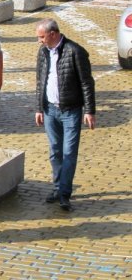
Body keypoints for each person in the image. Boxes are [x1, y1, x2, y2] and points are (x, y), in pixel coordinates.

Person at [35, 18, 96, 211]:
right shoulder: (43, 52)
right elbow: (40, 81)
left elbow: (87, 82)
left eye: (42, 37)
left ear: (53, 34)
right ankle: (57, 187)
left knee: (69, 153)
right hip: (50, 110)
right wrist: (38, 108)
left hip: (71, 110)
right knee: (55, 152)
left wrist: (90, 111)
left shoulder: (75, 51)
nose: (40, 41)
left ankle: (64, 193)